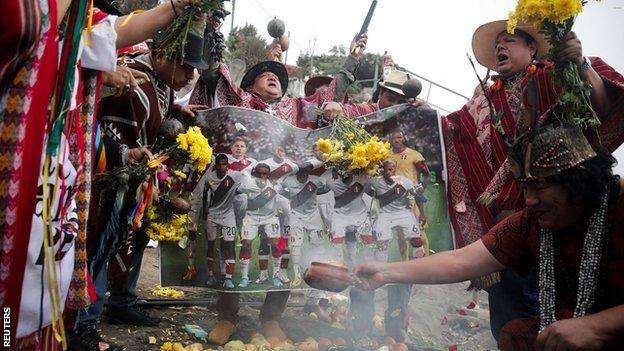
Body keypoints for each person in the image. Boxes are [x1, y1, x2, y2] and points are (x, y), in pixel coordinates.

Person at [355, 126, 624, 351]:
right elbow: (462, 261)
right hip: (567, 332)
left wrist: (597, 326)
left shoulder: (619, 207)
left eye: (540, 187)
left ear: (578, 182)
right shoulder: (531, 222)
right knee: (515, 335)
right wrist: (385, 272)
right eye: (525, 188)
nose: (529, 201)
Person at [441, 19, 624, 340]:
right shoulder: (482, 100)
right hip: (507, 223)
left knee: (565, 316)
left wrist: (580, 63)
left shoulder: (555, 74)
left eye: (509, 40)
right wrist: (414, 114)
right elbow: (451, 132)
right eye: (497, 43)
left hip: (564, 217)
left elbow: (602, 108)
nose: (500, 46)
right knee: (510, 321)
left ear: (533, 48)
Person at [70, 31, 208, 350]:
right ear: (160, 55)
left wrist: (177, 113)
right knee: (99, 244)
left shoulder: (160, 84)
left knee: (129, 239)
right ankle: (83, 323)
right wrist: (133, 164)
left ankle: (120, 303)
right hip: (108, 180)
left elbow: (154, 119)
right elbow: (105, 131)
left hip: (136, 180)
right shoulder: (133, 81)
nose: (191, 75)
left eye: (194, 69)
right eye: (185, 66)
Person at [193, 154, 243, 289]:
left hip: (228, 215)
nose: (222, 167)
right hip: (212, 215)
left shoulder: (235, 176)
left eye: (224, 164)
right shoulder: (209, 177)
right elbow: (205, 196)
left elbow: (241, 192)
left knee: (229, 245)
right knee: (210, 244)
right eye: (219, 165)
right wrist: (204, 215)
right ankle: (210, 276)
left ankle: (228, 278)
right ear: (215, 166)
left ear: (228, 165)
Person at [280, 162, 329, 286]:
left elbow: (326, 188)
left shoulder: (316, 180)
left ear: (309, 172)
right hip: (296, 215)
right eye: (301, 171)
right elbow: (280, 190)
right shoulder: (288, 181)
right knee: (295, 245)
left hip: (313, 215)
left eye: (306, 171)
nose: (304, 174)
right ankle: (297, 275)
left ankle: (315, 272)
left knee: (318, 244)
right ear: (297, 171)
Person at [387, 129, 430, 256]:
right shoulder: (386, 156)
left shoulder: (414, 155)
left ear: (404, 139)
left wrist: (422, 187)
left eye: (399, 137)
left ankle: (426, 261)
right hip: (395, 200)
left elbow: (427, 175)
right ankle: (404, 263)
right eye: (393, 138)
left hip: (412, 198)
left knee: (419, 232)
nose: (396, 140)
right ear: (390, 140)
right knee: (401, 235)